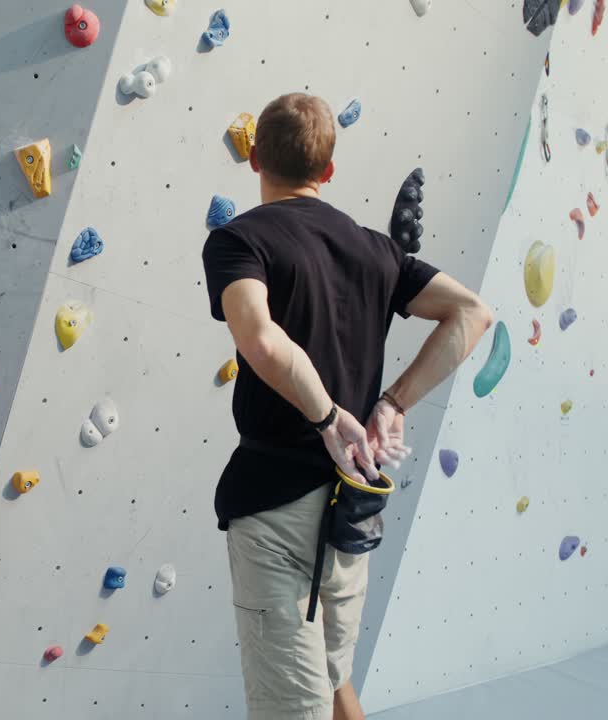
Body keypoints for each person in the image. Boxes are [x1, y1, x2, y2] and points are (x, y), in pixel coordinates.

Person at [201, 93, 493, 720]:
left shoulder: (239, 240)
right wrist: (393, 403)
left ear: (254, 158)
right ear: (329, 172)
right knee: (335, 686)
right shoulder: (374, 250)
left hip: (275, 505)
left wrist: (330, 417)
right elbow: (473, 313)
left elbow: (257, 336)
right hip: (350, 509)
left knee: (294, 707)